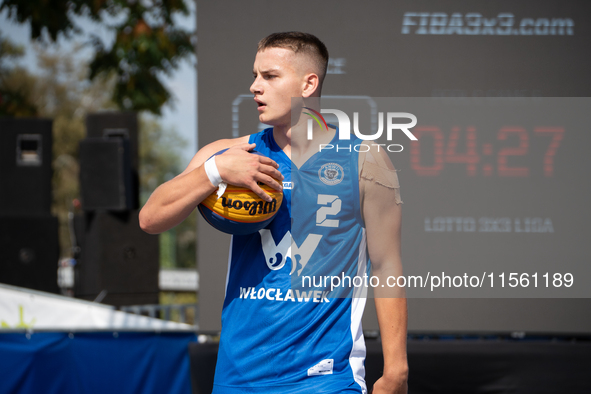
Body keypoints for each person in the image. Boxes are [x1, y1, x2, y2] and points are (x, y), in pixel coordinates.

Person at [139, 31, 407, 394]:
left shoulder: (364, 160)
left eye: (269, 76)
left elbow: (386, 265)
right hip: (239, 376)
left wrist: (396, 371)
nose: (254, 87)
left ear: (308, 83)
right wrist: (215, 172)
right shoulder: (230, 153)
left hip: (326, 377)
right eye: (254, 75)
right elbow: (150, 219)